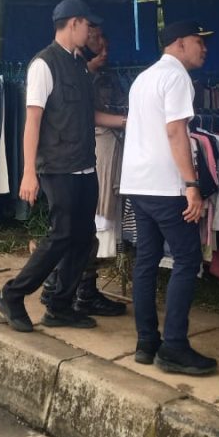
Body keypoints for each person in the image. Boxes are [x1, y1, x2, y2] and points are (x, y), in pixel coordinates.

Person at [0, 0, 125, 332]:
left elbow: (89, 115)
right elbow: (33, 121)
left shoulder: (79, 65)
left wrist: (127, 121)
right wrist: (28, 172)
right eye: (88, 25)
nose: (91, 32)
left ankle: (60, 306)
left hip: (85, 166)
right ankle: (12, 294)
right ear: (73, 23)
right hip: (57, 167)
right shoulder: (44, 64)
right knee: (61, 234)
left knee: (83, 238)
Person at [121, 19, 217, 376]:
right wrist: (191, 184)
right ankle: (174, 346)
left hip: (137, 182)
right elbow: (176, 132)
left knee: (146, 260)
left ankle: (147, 342)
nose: (204, 48)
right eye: (198, 41)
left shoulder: (144, 78)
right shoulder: (177, 77)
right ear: (178, 43)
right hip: (165, 185)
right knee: (187, 259)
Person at [40, 28, 128, 317]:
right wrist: (126, 121)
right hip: (77, 157)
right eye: (95, 37)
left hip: (89, 156)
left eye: (104, 39)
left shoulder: (96, 75)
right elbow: (85, 115)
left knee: (84, 229)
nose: (103, 45)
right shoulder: (65, 71)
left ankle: (69, 288)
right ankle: (62, 288)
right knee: (76, 229)